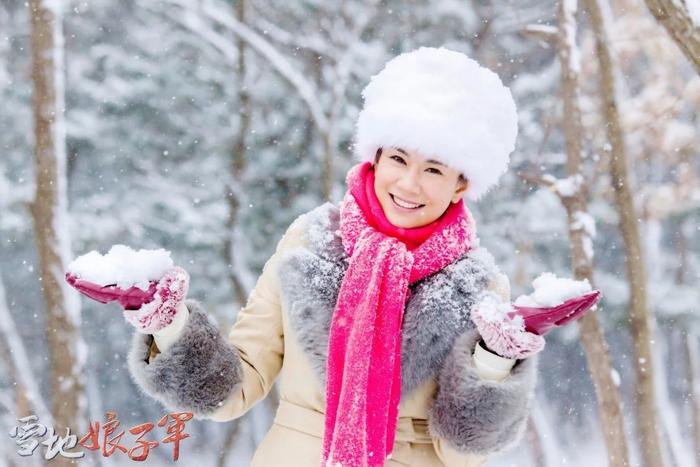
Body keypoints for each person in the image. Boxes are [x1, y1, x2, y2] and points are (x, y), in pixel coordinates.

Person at [124, 47, 544, 467]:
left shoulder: (477, 284)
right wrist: (171, 326)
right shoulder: (310, 242)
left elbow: (462, 453)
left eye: (434, 169)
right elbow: (235, 387)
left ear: (459, 184)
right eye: (398, 159)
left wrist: (493, 364)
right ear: (375, 158)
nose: (410, 184)